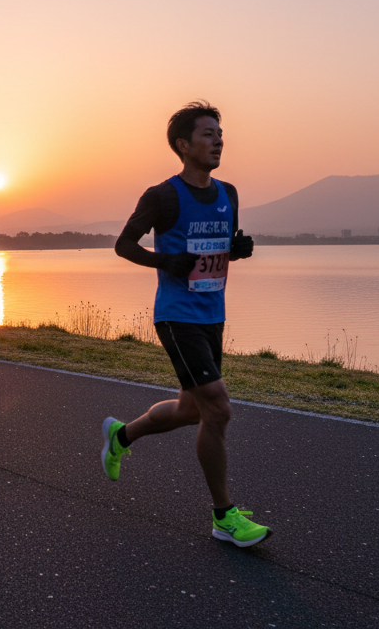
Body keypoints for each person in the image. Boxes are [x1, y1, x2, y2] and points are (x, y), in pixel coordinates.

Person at [103, 101, 266, 547]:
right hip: (176, 317)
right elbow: (123, 245)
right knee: (218, 408)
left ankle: (122, 434)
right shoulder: (163, 196)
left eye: (220, 133)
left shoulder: (228, 193)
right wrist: (165, 261)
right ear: (183, 144)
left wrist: (238, 249)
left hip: (214, 314)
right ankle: (223, 517)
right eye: (208, 134)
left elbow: (218, 247)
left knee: (190, 409)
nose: (218, 140)